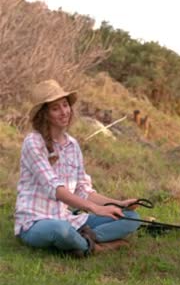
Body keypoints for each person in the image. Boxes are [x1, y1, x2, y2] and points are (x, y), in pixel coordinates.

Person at [14, 79, 141, 257]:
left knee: (130, 218)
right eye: (55, 108)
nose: (64, 112)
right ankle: (95, 246)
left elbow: (83, 190)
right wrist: (95, 209)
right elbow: (55, 189)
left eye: (65, 105)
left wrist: (117, 203)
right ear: (44, 114)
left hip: (68, 218)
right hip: (37, 221)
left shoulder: (72, 145)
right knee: (61, 231)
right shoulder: (33, 142)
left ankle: (84, 240)